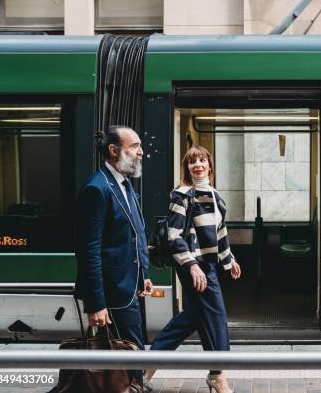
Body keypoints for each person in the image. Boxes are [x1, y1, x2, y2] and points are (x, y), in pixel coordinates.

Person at [145, 145, 241, 393]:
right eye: (192, 162)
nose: (197, 165)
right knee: (216, 317)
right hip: (193, 267)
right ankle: (218, 376)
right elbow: (174, 237)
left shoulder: (215, 195)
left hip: (207, 266)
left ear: (210, 164)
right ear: (186, 167)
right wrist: (192, 266)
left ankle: (145, 367)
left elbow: (220, 233)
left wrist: (229, 261)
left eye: (201, 160)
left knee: (191, 319)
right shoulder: (182, 195)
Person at [74, 125, 153, 387]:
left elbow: (134, 233)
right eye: (135, 146)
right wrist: (96, 303)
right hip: (112, 292)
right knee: (129, 354)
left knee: (133, 350)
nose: (141, 152)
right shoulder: (97, 189)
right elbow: (89, 250)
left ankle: (134, 386)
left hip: (130, 286)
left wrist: (144, 274)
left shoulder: (124, 184)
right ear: (113, 150)